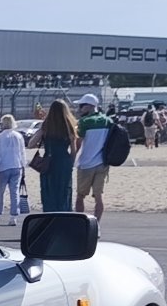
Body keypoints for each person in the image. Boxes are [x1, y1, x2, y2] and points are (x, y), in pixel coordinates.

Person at [28, 99, 79, 213]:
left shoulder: (46, 126)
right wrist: (71, 163)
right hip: (64, 162)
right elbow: (74, 150)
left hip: (49, 161)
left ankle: (50, 214)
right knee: (64, 190)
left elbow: (31, 144)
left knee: (49, 190)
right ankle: (64, 213)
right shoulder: (69, 126)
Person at [73, 94, 110, 224]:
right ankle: (97, 225)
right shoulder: (107, 120)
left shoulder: (84, 122)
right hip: (102, 163)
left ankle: (80, 223)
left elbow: (79, 142)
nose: (80, 108)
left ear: (89, 106)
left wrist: (74, 157)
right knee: (98, 197)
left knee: (80, 196)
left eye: (82, 105)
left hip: (86, 163)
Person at [0, 114, 26, 225]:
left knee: (0, 192)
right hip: (16, 166)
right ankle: (13, 217)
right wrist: (23, 167)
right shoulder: (18, 136)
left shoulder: (0, 136)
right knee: (14, 192)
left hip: (3, 167)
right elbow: (22, 153)